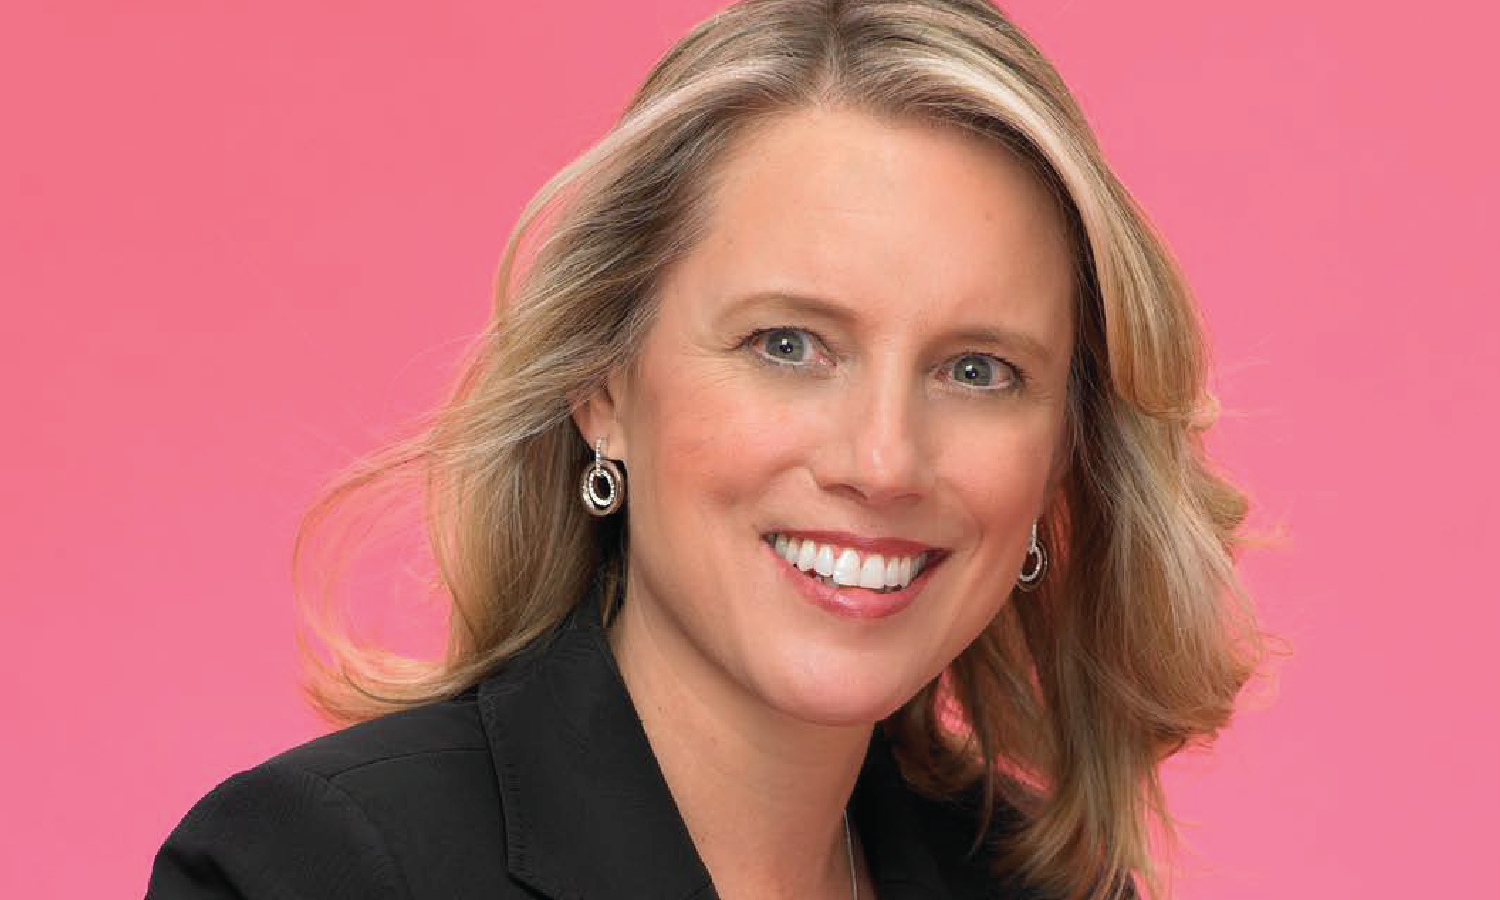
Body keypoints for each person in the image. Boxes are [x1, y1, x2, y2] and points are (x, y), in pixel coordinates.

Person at [146, 1, 1273, 898]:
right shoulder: (320, 871)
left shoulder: (1044, 890)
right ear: (603, 389)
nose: (884, 461)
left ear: (1063, 452)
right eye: (789, 345)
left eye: (978, 370)